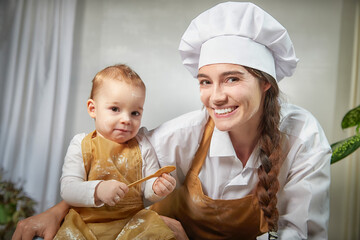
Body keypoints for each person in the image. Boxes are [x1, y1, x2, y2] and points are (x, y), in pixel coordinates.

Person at [12, 2, 331, 240]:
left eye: (231, 79)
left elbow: (300, 233)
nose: (215, 97)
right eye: (205, 81)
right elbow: (115, 161)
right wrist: (56, 211)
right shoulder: (187, 133)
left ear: (266, 83)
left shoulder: (303, 138)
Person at [53, 64, 176, 240]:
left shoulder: (142, 146)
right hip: (87, 223)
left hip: (133, 223)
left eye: (135, 113)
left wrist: (157, 188)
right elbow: (68, 189)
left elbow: (147, 192)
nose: (126, 119)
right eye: (115, 109)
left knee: (160, 234)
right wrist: (98, 190)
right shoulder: (81, 143)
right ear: (92, 109)